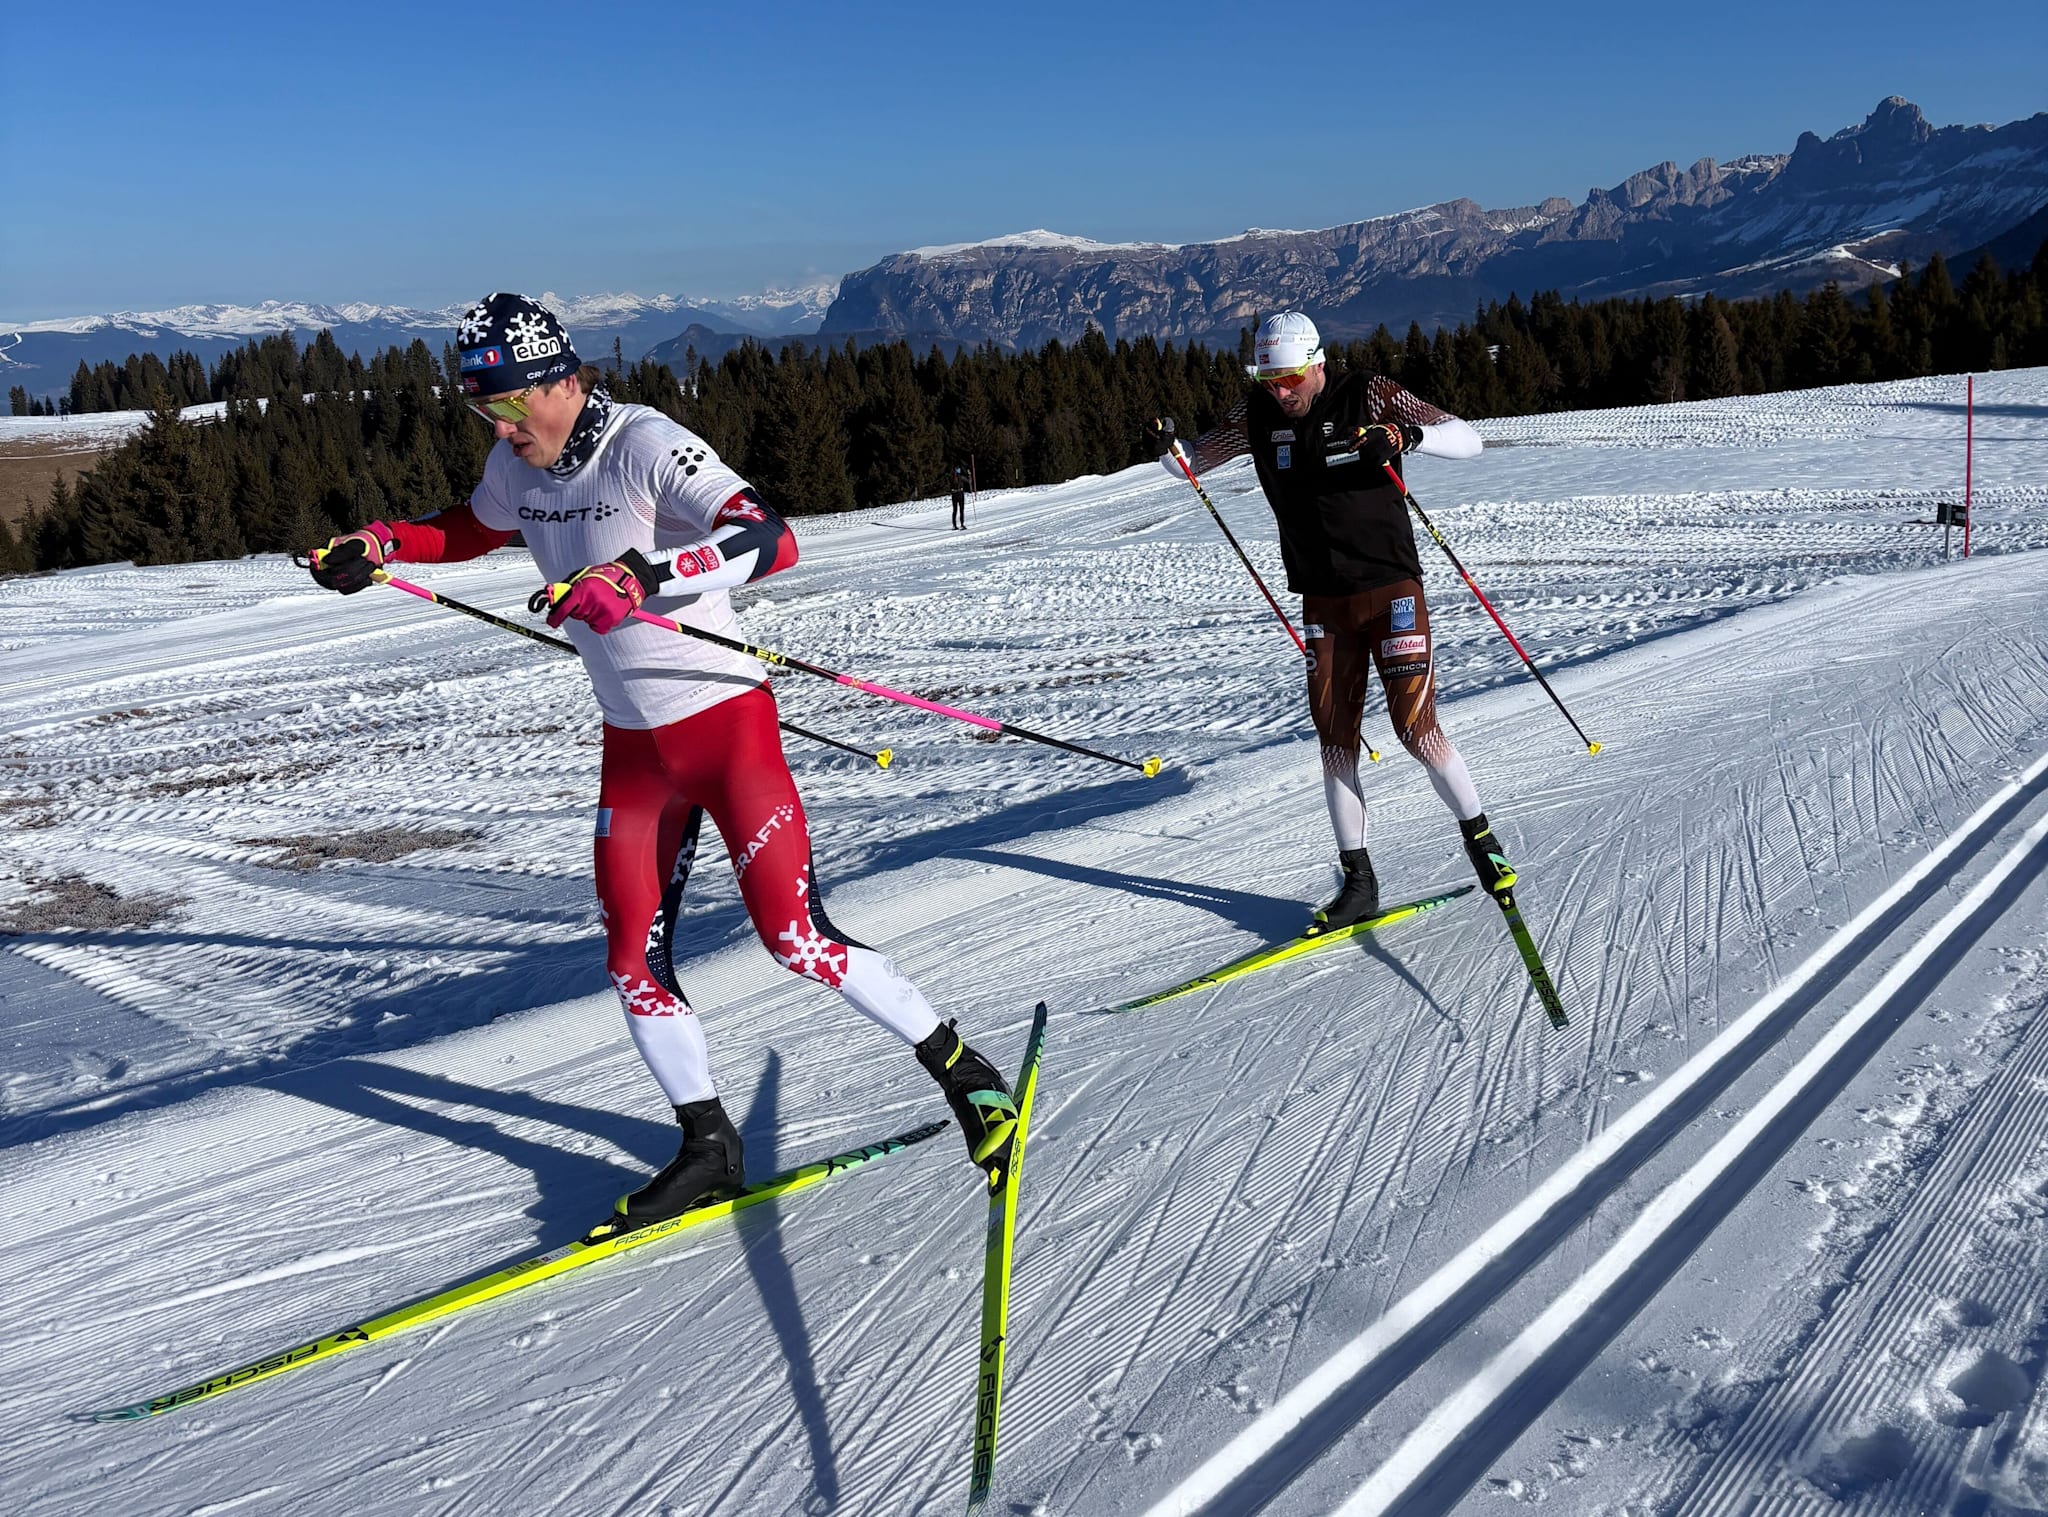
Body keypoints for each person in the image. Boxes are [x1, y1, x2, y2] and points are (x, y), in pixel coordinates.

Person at [308, 293, 1018, 1236]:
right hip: (634, 749)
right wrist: (382, 542)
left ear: (563, 379)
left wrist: (642, 575)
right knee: (630, 957)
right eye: (481, 407)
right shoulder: (513, 463)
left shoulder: (642, 443)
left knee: (793, 936)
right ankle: (707, 1144)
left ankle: (966, 1070)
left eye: (510, 403)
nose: (497, 423)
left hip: (725, 729)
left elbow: (772, 535)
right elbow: (475, 526)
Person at [1159, 310, 1512, 934]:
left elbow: (1469, 438)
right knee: (1335, 743)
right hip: (1323, 603)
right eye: (1270, 380)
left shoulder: (1367, 393)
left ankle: (1479, 837)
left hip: (1391, 589)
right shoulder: (1257, 415)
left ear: (1317, 363)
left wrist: (1406, 440)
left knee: (1413, 727)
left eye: (1291, 378)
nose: (1280, 391)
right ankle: (1358, 881)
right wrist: (1174, 450)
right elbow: (1192, 463)